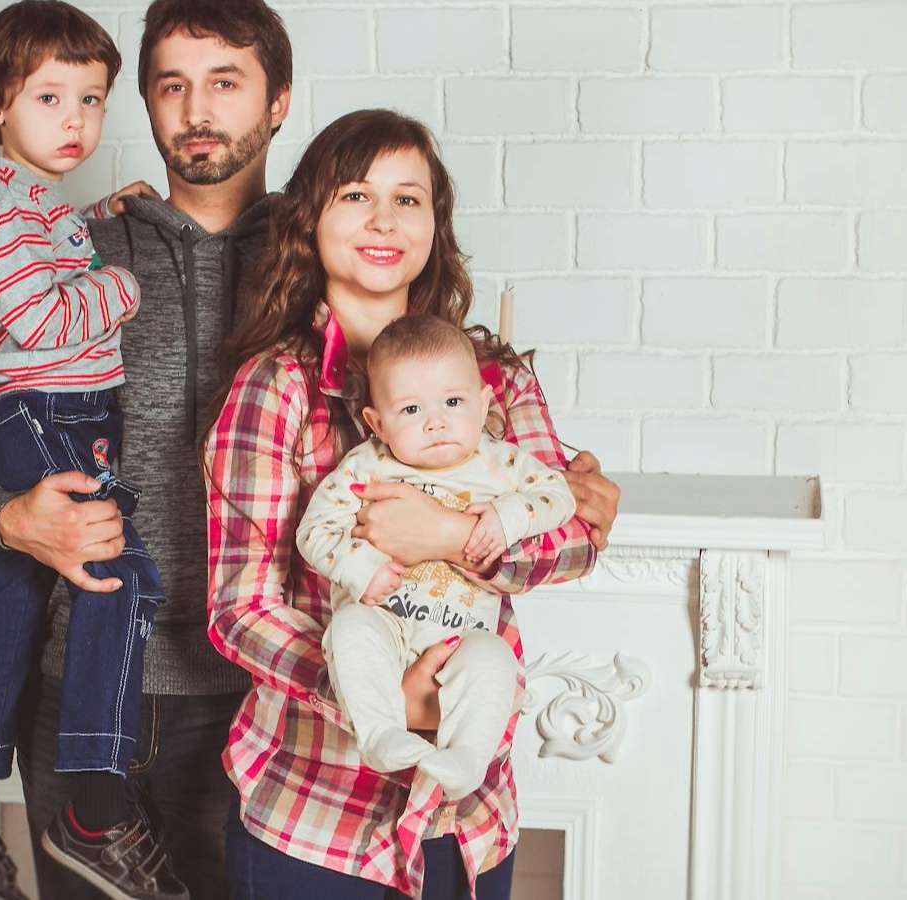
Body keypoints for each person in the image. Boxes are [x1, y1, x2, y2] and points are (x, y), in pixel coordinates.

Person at [203, 109, 621, 900]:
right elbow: (239, 606)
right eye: (356, 196)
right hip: (314, 815)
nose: (385, 220)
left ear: (436, 222)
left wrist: (455, 534)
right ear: (311, 221)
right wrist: (381, 694)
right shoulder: (276, 387)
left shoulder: (493, 380)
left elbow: (571, 535)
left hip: (468, 818)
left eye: (410, 198)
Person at [0, 0, 296, 896]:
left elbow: (415, 401)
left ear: (278, 101)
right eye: (172, 85)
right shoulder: (81, 244)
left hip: (255, 692)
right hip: (81, 679)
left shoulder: (320, 248)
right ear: (145, 101)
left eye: (226, 83)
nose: (197, 109)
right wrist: (11, 517)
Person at [0, 2, 176, 897]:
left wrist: (100, 214)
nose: (75, 120)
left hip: (39, 409)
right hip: (36, 413)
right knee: (116, 574)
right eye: (50, 98)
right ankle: (93, 814)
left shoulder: (33, 205)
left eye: (92, 101)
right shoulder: (8, 214)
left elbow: (39, 251)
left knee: (16, 604)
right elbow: (42, 313)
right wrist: (123, 284)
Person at [296, 314, 576, 800]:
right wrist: (360, 569)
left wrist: (507, 518)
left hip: (460, 636)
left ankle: (467, 758)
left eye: (453, 402)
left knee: (495, 660)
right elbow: (313, 530)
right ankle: (381, 733)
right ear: (377, 424)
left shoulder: (500, 463)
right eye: (410, 410)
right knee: (350, 632)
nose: (436, 422)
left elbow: (560, 497)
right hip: (385, 622)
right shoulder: (367, 466)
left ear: (484, 403)